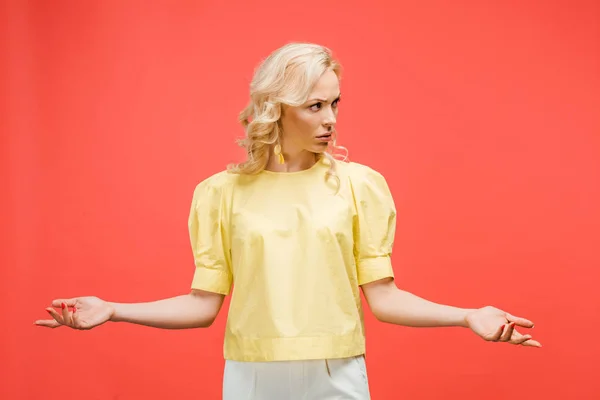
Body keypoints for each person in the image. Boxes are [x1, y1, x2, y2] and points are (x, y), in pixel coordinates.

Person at [35, 42, 541, 399]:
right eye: (314, 105)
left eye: (335, 103)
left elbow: (384, 299)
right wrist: (114, 310)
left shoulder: (359, 185)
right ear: (275, 109)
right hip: (252, 378)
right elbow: (202, 306)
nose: (330, 118)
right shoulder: (220, 194)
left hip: (336, 373)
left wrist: (468, 315)